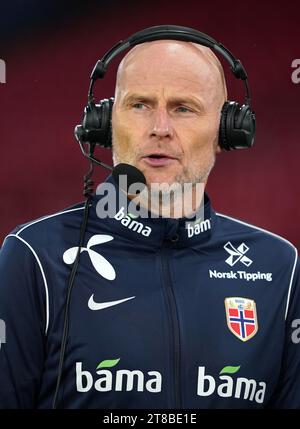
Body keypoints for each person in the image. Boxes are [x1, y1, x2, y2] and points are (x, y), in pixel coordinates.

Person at [0, 28, 299, 410]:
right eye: (139, 105)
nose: (159, 128)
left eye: (182, 108)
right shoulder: (35, 257)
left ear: (227, 132)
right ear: (105, 122)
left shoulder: (279, 269)